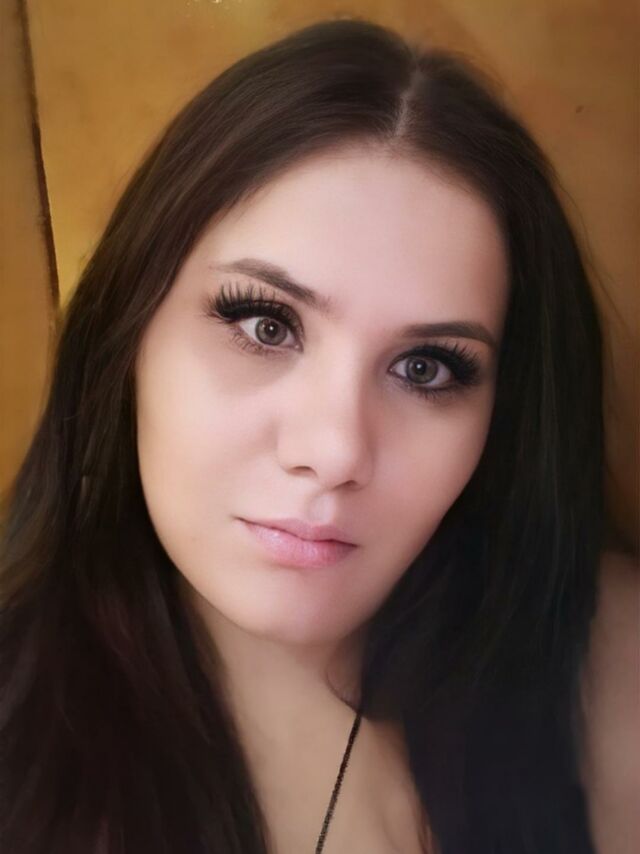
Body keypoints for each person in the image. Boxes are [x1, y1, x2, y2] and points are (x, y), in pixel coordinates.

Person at [0, 16, 637, 854]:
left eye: (425, 369)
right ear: (129, 334)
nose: (335, 452)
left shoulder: (604, 662)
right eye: (265, 326)